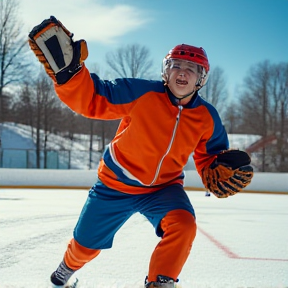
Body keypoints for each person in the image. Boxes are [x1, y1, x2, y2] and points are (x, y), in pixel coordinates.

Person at [28, 16, 253, 288]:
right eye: (176, 65)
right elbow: (93, 98)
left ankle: (160, 282)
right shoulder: (141, 92)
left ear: (201, 78)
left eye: (191, 68)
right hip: (115, 184)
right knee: (84, 245)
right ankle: (65, 269)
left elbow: (209, 159)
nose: (182, 72)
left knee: (183, 225)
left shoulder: (208, 117)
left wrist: (219, 171)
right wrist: (70, 75)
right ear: (165, 72)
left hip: (164, 189)